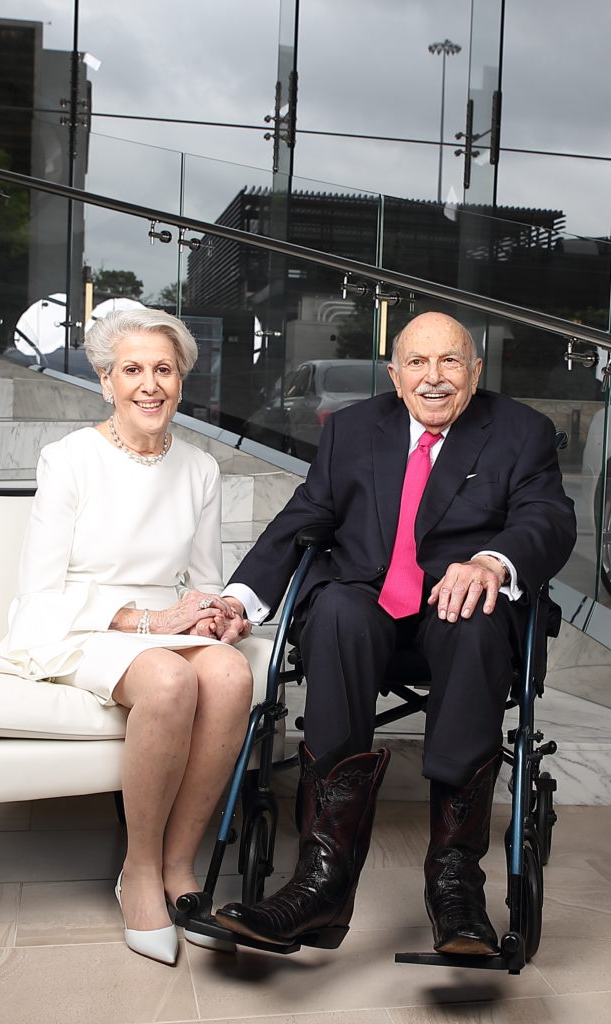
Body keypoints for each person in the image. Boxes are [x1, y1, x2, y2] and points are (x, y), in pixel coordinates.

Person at [212, 311, 577, 956]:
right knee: (336, 611)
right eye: (417, 363)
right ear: (394, 373)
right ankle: (322, 880)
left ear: (475, 371)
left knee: (475, 617)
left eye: (450, 361)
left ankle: (455, 883)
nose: (434, 377)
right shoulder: (353, 429)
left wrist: (493, 562)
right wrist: (240, 599)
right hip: (366, 602)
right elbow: (306, 516)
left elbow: (547, 517)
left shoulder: (521, 431)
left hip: (458, 605)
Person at [0, 308, 254, 966]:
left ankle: (180, 866)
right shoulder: (69, 458)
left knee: (230, 672)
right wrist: (147, 622)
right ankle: (140, 871)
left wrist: (216, 613)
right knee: (169, 676)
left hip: (164, 624)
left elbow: (203, 580)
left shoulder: (200, 468)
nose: (149, 385)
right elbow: (41, 589)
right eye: (132, 370)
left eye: (164, 370)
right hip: (80, 623)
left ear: (181, 382)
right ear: (106, 382)